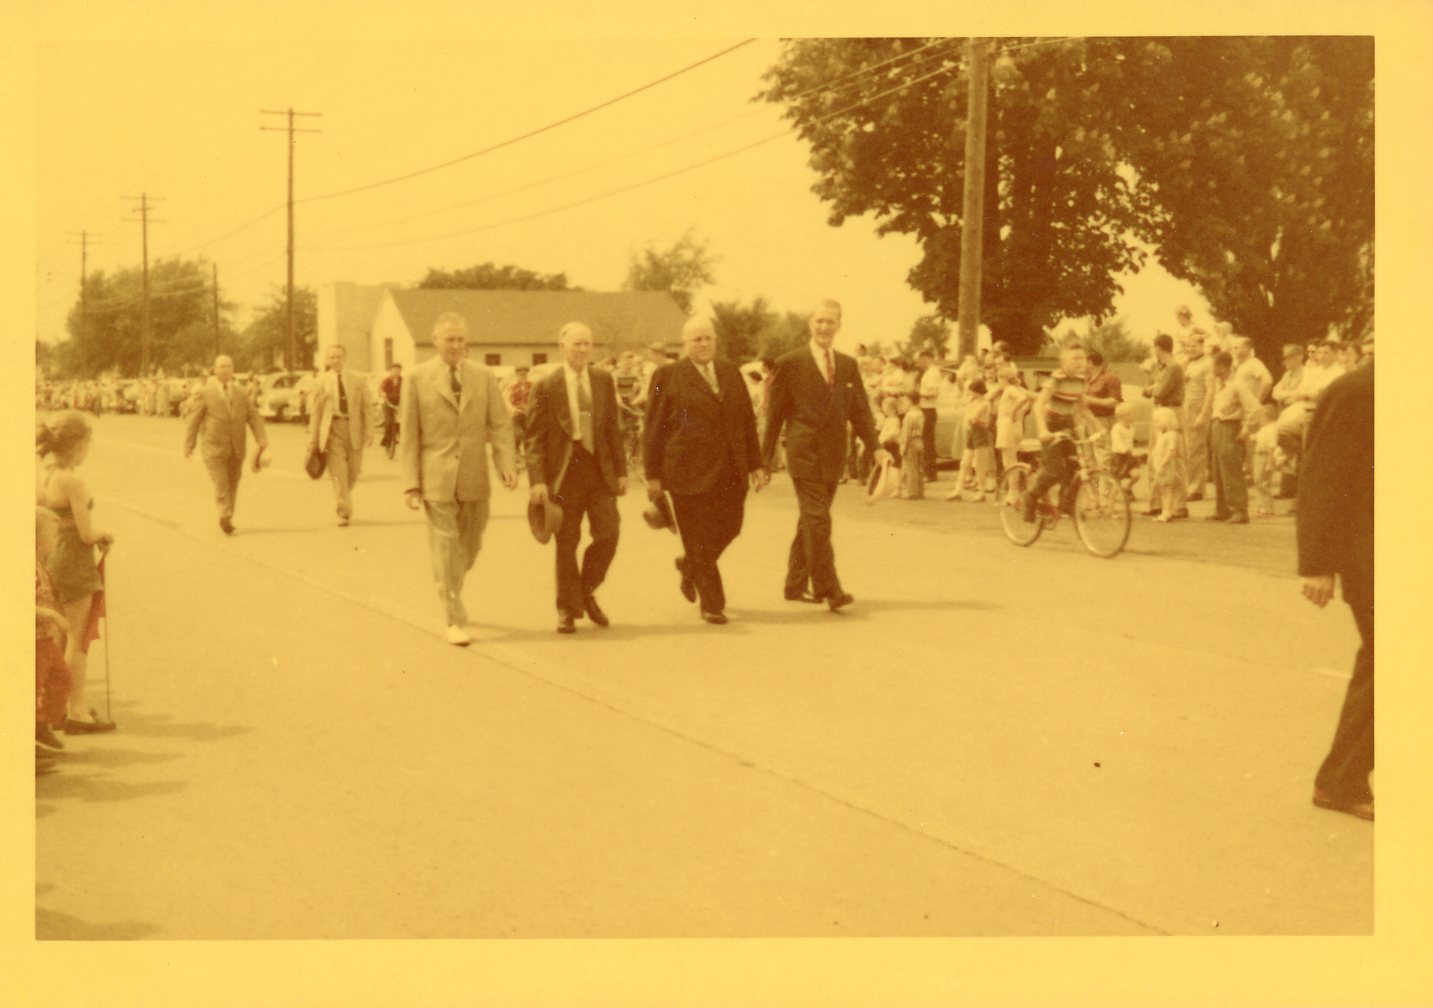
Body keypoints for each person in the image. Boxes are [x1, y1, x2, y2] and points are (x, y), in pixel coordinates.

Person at [761, 298, 889, 611]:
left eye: (830, 322)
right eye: (819, 321)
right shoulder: (790, 362)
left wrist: (876, 448)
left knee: (811, 520)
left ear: (839, 325)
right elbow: (774, 416)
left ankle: (794, 583)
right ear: (810, 324)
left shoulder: (847, 365)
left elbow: (860, 410)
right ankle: (829, 588)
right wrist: (763, 462)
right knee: (818, 520)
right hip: (803, 454)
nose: (824, 327)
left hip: (834, 455)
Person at [400, 313, 517, 645]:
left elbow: (499, 424)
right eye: (449, 339)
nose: (455, 345)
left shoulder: (482, 376)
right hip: (436, 476)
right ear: (435, 340)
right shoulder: (417, 377)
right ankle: (453, 617)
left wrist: (505, 462)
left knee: (471, 545)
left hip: (474, 474)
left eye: (461, 339)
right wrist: (411, 483)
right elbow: (409, 434)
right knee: (447, 545)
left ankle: (450, 585)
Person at [643, 316, 768, 624]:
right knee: (697, 537)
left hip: (730, 470)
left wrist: (756, 464)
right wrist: (653, 474)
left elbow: (746, 422)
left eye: (708, 338)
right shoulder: (668, 375)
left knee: (731, 527)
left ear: (715, 340)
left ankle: (689, 565)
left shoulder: (730, 373)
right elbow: (653, 428)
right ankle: (712, 603)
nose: (703, 344)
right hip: (686, 471)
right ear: (684, 344)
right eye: (696, 339)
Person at [1299, 361, 1373, 821]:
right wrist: (1318, 563)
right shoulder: (1356, 390)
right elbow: (1323, 477)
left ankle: (1342, 777)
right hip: (1371, 552)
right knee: (1394, 660)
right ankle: (1340, 780)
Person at [526, 322, 628, 634]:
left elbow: (610, 429)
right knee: (567, 543)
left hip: (597, 471)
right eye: (576, 344)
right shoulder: (546, 385)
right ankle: (566, 609)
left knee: (609, 533)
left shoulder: (601, 380)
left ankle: (584, 591)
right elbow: (534, 438)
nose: (583, 349)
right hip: (563, 476)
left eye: (587, 344)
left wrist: (621, 471)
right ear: (562, 346)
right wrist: (538, 480)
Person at [36, 412, 115, 734]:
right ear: (77, 445)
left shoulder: (47, 474)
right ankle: (76, 711)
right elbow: (85, 533)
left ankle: (54, 708)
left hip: (52, 556)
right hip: (75, 560)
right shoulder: (73, 480)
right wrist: (104, 535)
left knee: (57, 635)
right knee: (77, 640)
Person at [183, 354, 270, 535]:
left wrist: (261, 438)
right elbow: (194, 420)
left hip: (236, 446)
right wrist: (189, 443)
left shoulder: (241, 392)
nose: (225, 370)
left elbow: (253, 416)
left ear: (233, 369)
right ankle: (225, 514)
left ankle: (228, 515)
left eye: (229, 366)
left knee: (233, 481)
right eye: (221, 366)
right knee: (221, 482)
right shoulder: (205, 392)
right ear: (215, 370)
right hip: (213, 447)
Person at [1021, 339, 1100, 523]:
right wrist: (1042, 430)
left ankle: (1067, 504)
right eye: (1074, 359)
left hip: (1068, 424)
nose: (1079, 362)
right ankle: (1030, 497)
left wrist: (1099, 428)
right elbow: (1039, 405)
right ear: (1063, 363)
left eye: (1082, 358)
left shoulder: (1082, 380)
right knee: (1053, 471)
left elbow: (1082, 408)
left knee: (1076, 466)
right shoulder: (1056, 379)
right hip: (1051, 424)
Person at [307, 344, 373, 527]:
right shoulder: (321, 382)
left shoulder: (358, 379)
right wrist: (313, 438)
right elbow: (316, 412)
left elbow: (367, 407)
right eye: (332, 357)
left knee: (353, 471)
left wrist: (370, 430)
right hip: (332, 430)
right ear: (327, 360)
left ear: (345, 358)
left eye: (339, 356)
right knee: (338, 473)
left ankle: (343, 495)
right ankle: (344, 512)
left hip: (354, 428)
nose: (335, 360)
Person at [1203, 350, 1263, 524]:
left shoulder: (1237, 384)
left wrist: (1246, 428)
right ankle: (1222, 509)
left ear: (1222, 367)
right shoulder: (1218, 384)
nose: (1211, 369)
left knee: (1231, 469)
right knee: (1218, 470)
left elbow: (1254, 408)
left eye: (1214, 366)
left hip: (1230, 427)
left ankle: (1239, 510)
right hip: (1217, 426)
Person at [35, 506, 72, 761]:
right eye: (51, 536)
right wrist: (52, 615)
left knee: (62, 679)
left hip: (46, 639)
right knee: (33, 688)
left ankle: (41, 724)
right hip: (32, 640)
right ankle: (28, 740)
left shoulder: (41, 564)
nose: (55, 541)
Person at [1141, 334, 1188, 518]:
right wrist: (1151, 384)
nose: (1154, 352)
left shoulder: (1174, 367)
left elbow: (1159, 391)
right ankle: (1157, 503)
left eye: (1155, 348)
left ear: (1159, 348)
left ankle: (1179, 505)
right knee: (1155, 454)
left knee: (1174, 456)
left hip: (1172, 410)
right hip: (1159, 411)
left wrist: (1153, 387)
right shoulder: (1158, 367)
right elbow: (1147, 390)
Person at [1179, 330, 1214, 501]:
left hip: (1198, 408)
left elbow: (1211, 390)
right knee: (1187, 449)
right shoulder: (1189, 362)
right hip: (1186, 407)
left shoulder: (1208, 364)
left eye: (1193, 345)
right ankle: (1189, 484)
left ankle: (1196, 489)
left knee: (1195, 449)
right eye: (1187, 345)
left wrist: (1203, 414)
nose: (1190, 348)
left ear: (1202, 345)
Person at [1147, 408, 1182, 522]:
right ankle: (1165, 510)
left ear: (1167, 420)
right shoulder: (1161, 433)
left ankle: (1167, 512)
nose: (1156, 424)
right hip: (1158, 466)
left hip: (1165, 466)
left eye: (1158, 421)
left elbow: (1171, 451)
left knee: (1167, 489)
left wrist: (1162, 464)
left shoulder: (1171, 434)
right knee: (1162, 489)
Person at [1249, 402, 1281, 518]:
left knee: (1263, 483)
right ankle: (1262, 506)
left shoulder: (1271, 429)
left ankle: (1267, 508)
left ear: (1266, 416)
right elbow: (1256, 437)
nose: (1258, 419)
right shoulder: (1264, 429)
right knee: (1258, 482)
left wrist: (1269, 463)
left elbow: (1272, 446)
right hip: (1258, 456)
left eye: (1260, 417)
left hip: (1264, 457)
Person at [897, 393, 926, 500]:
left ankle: (912, 492)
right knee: (919, 467)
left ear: (909, 401)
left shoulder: (909, 415)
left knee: (911, 468)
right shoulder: (920, 413)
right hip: (919, 441)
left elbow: (906, 433)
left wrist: (902, 446)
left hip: (911, 442)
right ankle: (920, 491)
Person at [378, 363, 403, 459]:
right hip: (388, 404)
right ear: (391, 371)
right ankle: (387, 442)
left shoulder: (403, 380)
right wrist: (382, 394)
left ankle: (400, 437)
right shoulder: (386, 380)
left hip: (400, 404)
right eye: (395, 370)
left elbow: (408, 390)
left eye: (398, 371)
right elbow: (380, 390)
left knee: (405, 422)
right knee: (388, 422)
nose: (396, 372)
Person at [1109, 401, 1137, 487]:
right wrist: (1126, 450)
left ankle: (1127, 489)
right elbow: (1117, 442)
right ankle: (1111, 499)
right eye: (1133, 414)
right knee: (1117, 480)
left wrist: (1132, 451)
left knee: (1137, 475)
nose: (1135, 416)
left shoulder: (1131, 427)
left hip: (1128, 456)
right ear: (1125, 416)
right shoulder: (1117, 428)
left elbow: (1130, 441)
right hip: (1119, 456)